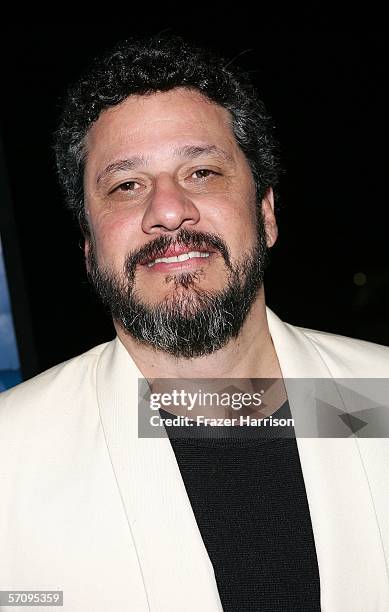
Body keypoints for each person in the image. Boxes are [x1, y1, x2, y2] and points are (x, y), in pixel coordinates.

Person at [0, 34, 388, 612]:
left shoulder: (376, 401)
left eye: (202, 172)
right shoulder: (12, 456)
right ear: (87, 247)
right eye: (126, 185)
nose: (167, 209)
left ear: (265, 212)